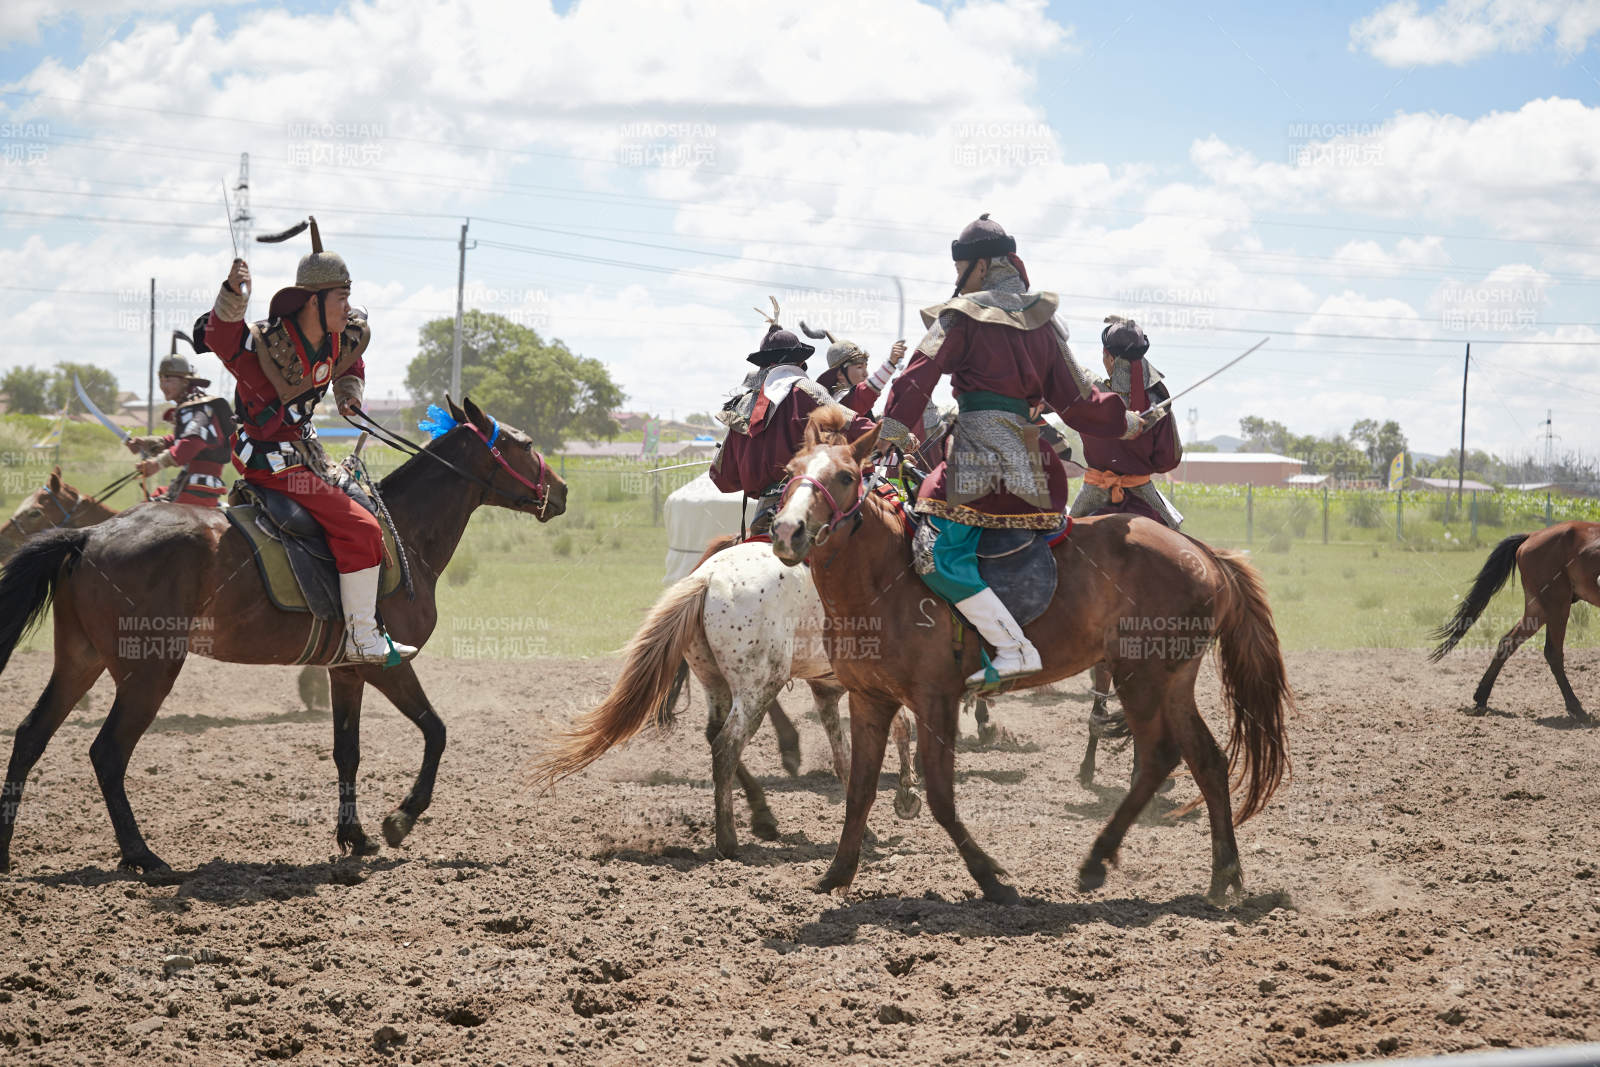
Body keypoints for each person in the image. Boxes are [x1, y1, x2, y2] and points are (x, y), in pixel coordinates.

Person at [878, 215, 1161, 688]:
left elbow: (917, 375)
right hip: (1032, 468)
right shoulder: (1042, 324)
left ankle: (1011, 648)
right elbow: (1079, 397)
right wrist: (1126, 421)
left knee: (934, 553)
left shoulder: (961, 316)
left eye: (961, 267)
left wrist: (887, 430)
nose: (957, 277)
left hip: (975, 461)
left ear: (981, 266)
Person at [201, 216, 415, 666]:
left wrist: (349, 395)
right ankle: (361, 638)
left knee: (368, 506)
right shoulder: (265, 346)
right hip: (269, 463)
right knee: (362, 528)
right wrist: (233, 293)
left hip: (308, 455)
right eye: (341, 297)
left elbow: (352, 363)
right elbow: (221, 338)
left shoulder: (340, 338)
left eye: (349, 296)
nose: (348, 307)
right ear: (312, 301)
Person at [1069, 315, 1184, 724]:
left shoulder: (1092, 395)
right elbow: (1168, 459)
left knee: (1055, 548)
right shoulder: (1158, 399)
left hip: (1094, 496)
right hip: (1143, 497)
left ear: (1107, 356)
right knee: (1181, 552)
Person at [711, 299, 873, 537]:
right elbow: (851, 424)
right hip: (803, 507)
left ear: (763, 364)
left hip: (761, 514)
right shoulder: (807, 390)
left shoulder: (741, 405)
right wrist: (895, 435)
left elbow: (721, 477)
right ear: (800, 362)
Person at [123, 347, 236, 507]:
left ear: (185, 382)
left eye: (169, 380)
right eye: (161, 379)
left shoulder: (199, 408)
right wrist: (146, 443)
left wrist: (157, 464)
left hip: (200, 487)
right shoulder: (193, 407)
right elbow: (180, 440)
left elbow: (192, 442)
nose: (163, 385)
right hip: (187, 483)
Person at [800, 323, 907, 416]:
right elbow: (865, 393)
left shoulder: (850, 402)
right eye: (859, 367)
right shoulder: (842, 401)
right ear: (840, 374)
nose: (865, 374)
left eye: (865, 367)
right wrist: (890, 363)